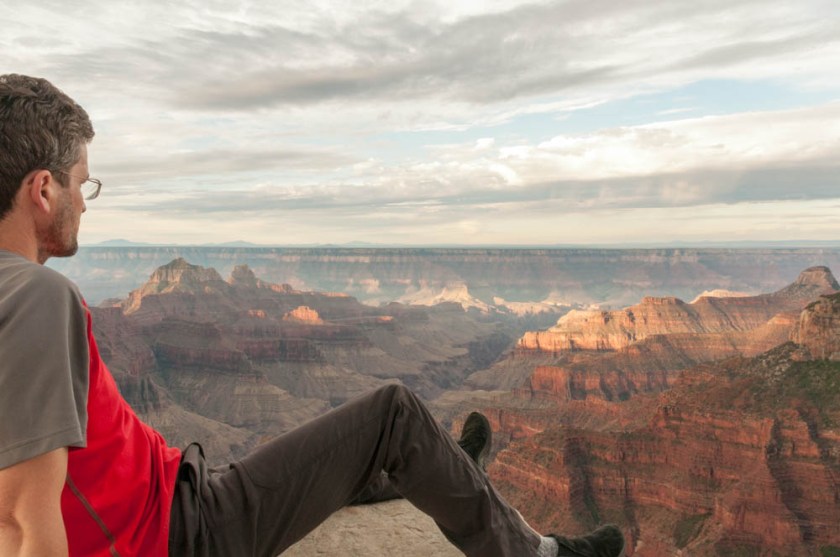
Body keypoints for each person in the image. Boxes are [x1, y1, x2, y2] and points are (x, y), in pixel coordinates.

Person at [0, 74, 625, 557]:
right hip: (181, 532)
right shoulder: (36, 296)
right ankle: (533, 550)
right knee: (393, 413)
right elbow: (26, 522)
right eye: (84, 183)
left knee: (320, 455)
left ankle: (444, 470)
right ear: (44, 189)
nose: (86, 201)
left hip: (175, 488)